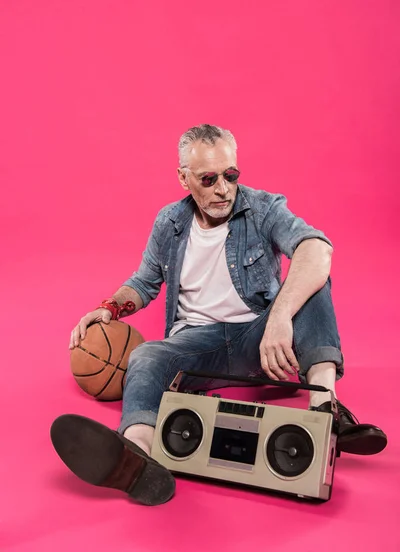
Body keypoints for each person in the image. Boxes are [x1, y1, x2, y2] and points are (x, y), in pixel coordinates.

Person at [51, 124, 387, 506]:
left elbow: (317, 249)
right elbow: (144, 282)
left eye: (230, 175)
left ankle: (325, 412)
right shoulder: (169, 223)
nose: (223, 189)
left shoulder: (262, 209)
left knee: (313, 281)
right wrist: (108, 308)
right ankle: (137, 457)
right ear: (183, 178)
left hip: (260, 345)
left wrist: (278, 318)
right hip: (197, 348)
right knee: (145, 355)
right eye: (208, 179)